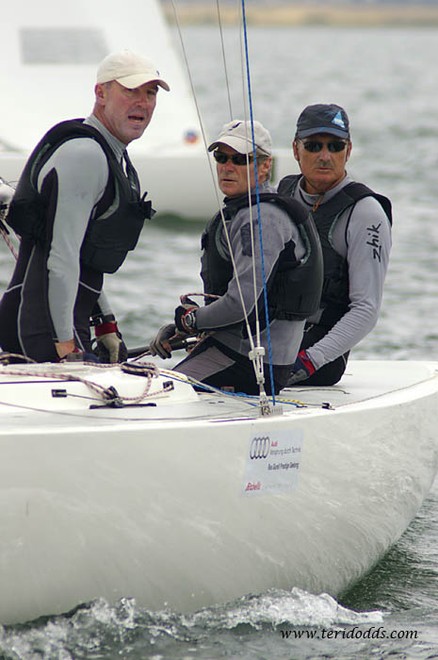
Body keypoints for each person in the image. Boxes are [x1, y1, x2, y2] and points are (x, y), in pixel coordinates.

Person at [0, 49, 169, 363]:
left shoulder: (113, 154)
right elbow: (62, 257)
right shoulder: (85, 155)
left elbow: (83, 258)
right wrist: (65, 346)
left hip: (66, 323)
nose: (143, 102)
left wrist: (105, 324)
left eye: (150, 93)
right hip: (42, 330)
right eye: (130, 90)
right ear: (101, 93)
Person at [149, 119, 323, 395]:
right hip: (237, 349)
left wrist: (191, 321)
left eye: (241, 159)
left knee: (158, 392)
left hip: (252, 362)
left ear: (266, 166)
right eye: (221, 157)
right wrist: (181, 329)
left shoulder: (261, 219)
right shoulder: (246, 211)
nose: (227, 167)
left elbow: (241, 304)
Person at [277, 103, 392, 386]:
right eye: (314, 146)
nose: (325, 156)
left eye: (336, 146)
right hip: (273, 334)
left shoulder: (366, 214)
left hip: (319, 355)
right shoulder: (284, 192)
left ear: (348, 151)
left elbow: (366, 309)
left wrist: (309, 361)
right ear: (295, 150)